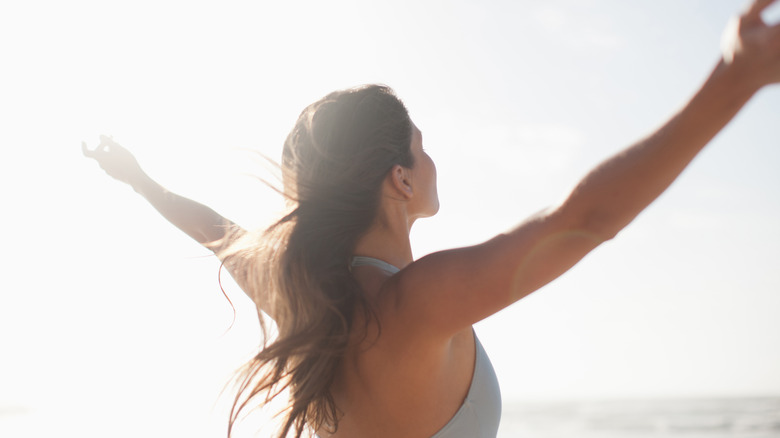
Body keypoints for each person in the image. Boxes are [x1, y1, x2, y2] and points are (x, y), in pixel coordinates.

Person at [83, 1, 780, 436]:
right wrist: (732, 80)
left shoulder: (300, 295)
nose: (432, 159)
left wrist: (141, 182)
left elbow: (213, 230)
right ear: (401, 178)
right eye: (422, 145)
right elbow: (586, 218)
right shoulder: (411, 306)